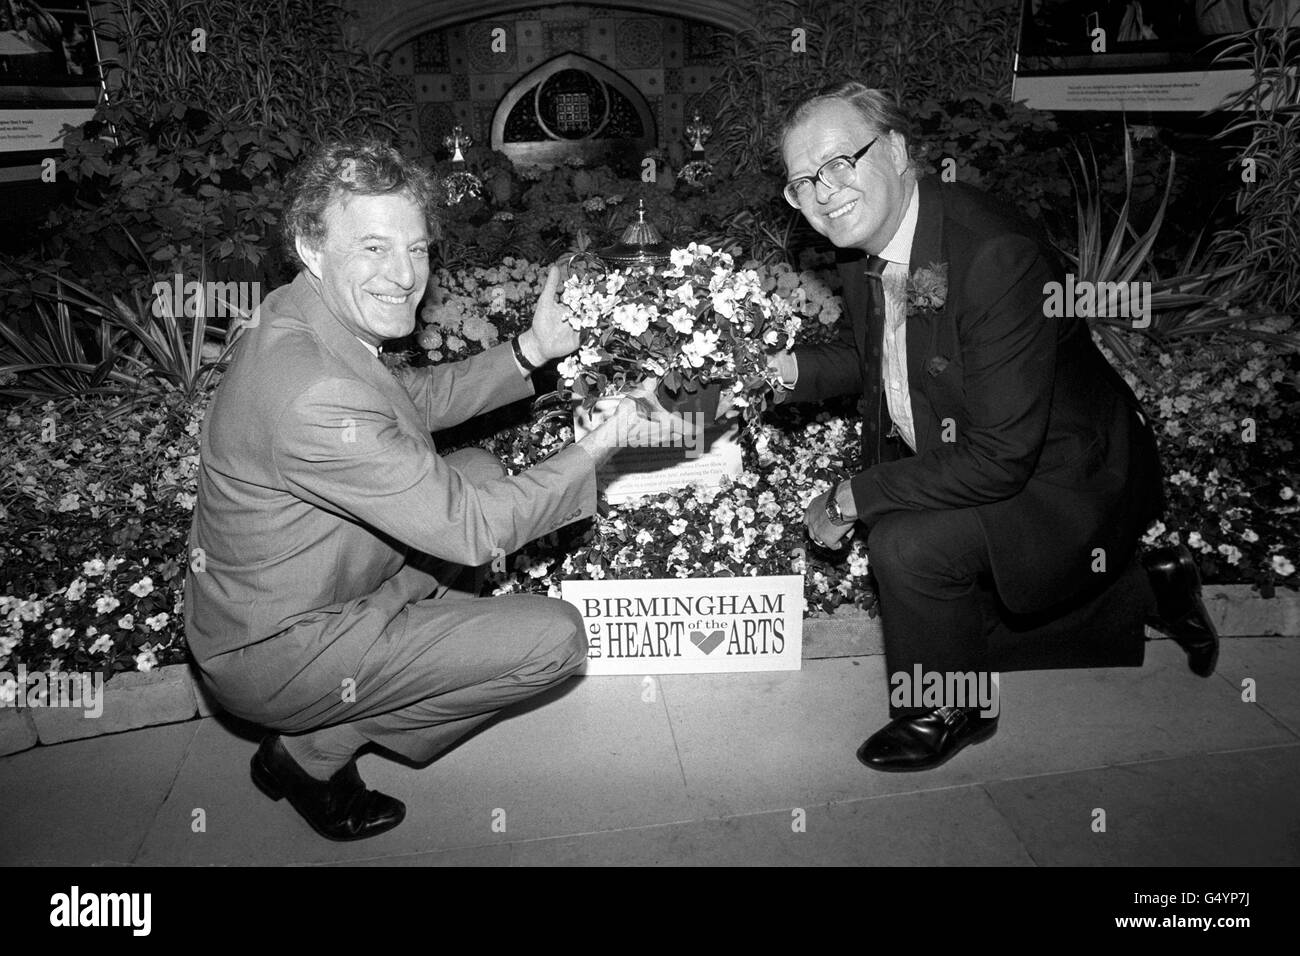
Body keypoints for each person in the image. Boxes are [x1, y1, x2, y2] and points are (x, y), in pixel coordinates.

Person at [184, 140, 677, 840]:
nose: (405, 274)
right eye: (375, 249)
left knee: (475, 466)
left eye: (416, 249)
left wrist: (531, 350)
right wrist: (602, 441)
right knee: (555, 641)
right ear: (311, 246)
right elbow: (472, 527)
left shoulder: (302, 313)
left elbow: (406, 396)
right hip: (276, 648)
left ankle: (405, 643)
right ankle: (309, 752)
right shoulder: (311, 390)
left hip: (304, 588)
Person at [772, 82, 1218, 772]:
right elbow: (877, 357)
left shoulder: (993, 256)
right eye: (803, 181)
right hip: (991, 448)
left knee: (910, 546)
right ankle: (1151, 583)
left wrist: (850, 496)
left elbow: (1002, 458)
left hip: (1061, 471)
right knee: (934, 566)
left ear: (894, 151)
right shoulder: (877, 239)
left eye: (838, 164)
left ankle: (951, 706)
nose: (824, 192)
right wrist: (769, 373)